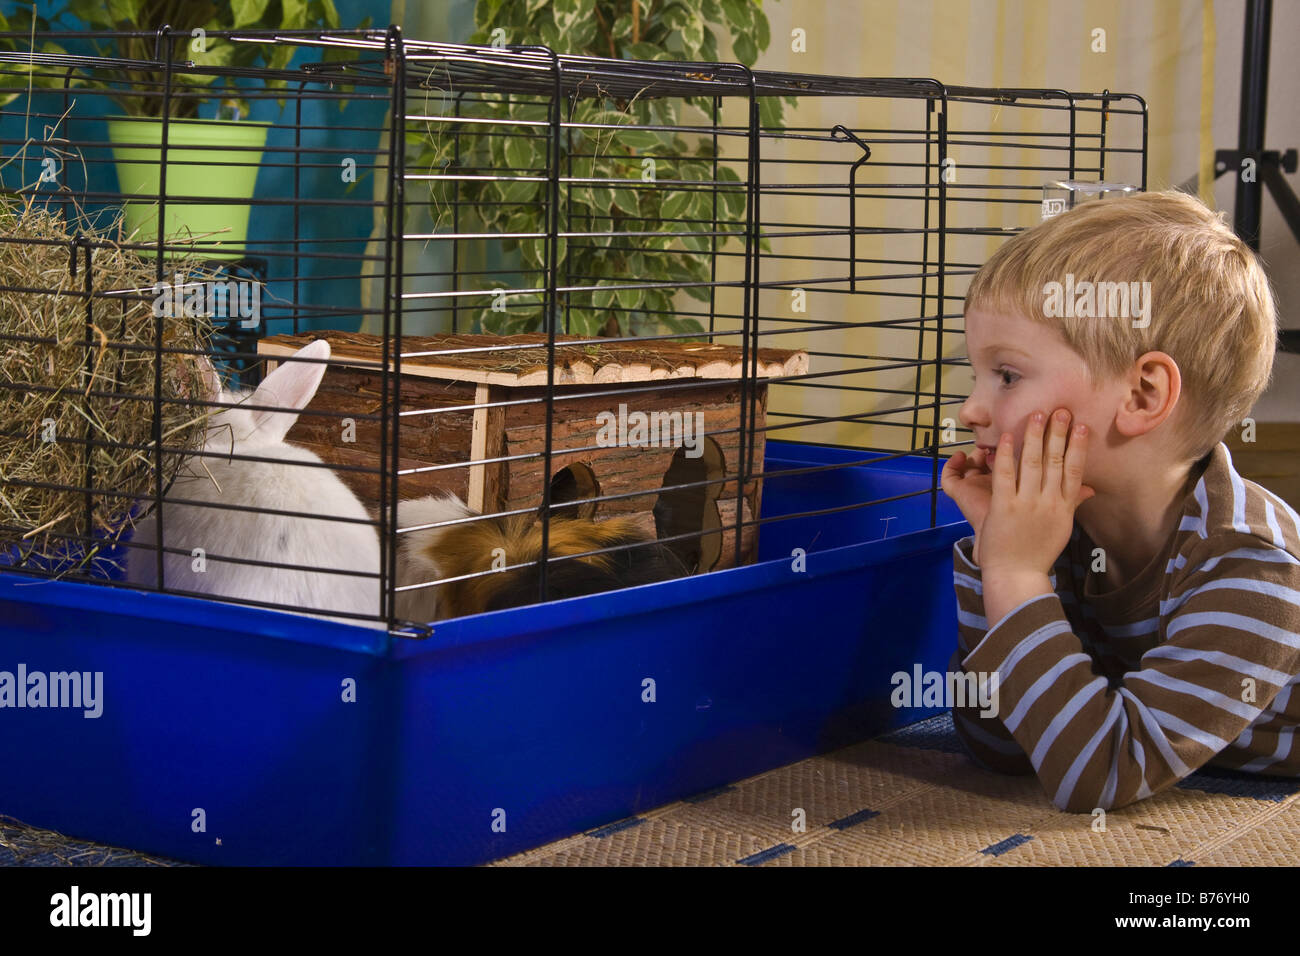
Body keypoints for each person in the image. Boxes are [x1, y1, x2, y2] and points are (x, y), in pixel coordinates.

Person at [939, 190, 1300, 812]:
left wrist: (1015, 574)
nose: (970, 411)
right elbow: (999, 745)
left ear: (1141, 394)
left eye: (1007, 375)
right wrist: (994, 550)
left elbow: (1099, 774)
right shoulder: (1064, 528)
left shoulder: (1252, 562)